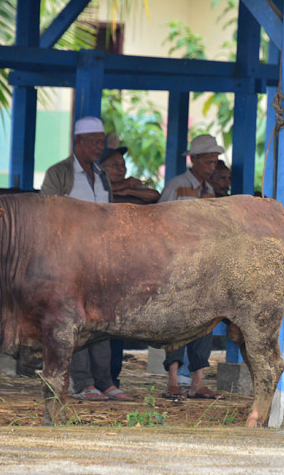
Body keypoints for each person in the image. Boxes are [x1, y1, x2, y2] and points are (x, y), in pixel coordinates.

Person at [41, 116, 131, 402]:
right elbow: (46, 212)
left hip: (100, 259)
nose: (98, 147)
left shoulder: (101, 174)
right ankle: (83, 383)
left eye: (101, 142)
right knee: (75, 320)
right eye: (93, 142)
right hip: (69, 259)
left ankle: (105, 382)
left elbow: (111, 213)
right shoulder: (59, 173)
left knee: (100, 320)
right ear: (77, 142)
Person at [159, 134, 223, 401]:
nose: (212, 167)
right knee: (175, 322)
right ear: (193, 160)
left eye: (214, 162)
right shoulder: (176, 186)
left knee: (204, 323)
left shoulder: (209, 192)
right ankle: (173, 380)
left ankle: (197, 382)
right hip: (175, 263)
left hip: (202, 265)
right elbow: (158, 222)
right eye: (208, 162)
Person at [97, 138, 159, 391]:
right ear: (100, 168)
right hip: (98, 265)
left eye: (122, 164)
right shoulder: (97, 191)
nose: (121, 169)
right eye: (113, 165)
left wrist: (123, 189)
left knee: (116, 327)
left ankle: (113, 377)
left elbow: (153, 194)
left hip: (124, 268)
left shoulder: (130, 186)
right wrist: (120, 191)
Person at [99, 135, 160, 204]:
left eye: (123, 165)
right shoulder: (96, 184)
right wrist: (125, 184)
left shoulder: (130, 185)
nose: (121, 169)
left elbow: (155, 195)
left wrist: (129, 191)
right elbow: (104, 190)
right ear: (102, 168)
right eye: (115, 165)